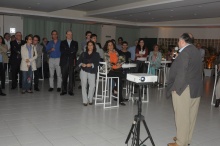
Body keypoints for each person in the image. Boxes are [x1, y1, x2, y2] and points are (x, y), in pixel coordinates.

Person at [166, 33, 203, 146]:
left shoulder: (185, 53)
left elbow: (181, 73)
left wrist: (176, 88)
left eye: (178, 41)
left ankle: (181, 142)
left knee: (182, 116)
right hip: (195, 88)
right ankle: (186, 139)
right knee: (191, 116)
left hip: (184, 88)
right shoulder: (196, 51)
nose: (178, 43)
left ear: (182, 41)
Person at [77, 41, 100, 106]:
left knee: (92, 86)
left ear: (93, 46)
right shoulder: (83, 53)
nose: (90, 46)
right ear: (87, 46)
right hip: (83, 70)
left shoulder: (96, 54)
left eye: (91, 45)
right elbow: (78, 62)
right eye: (89, 45)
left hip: (92, 71)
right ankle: (85, 100)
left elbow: (97, 63)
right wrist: (82, 64)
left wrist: (91, 64)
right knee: (84, 85)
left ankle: (90, 99)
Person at [104, 40, 126, 106]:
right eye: (109, 45)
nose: (110, 46)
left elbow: (118, 61)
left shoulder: (116, 52)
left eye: (111, 45)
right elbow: (108, 64)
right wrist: (116, 66)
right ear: (107, 47)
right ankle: (120, 99)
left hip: (117, 70)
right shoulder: (106, 53)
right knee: (121, 78)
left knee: (121, 79)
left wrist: (120, 64)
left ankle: (115, 91)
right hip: (109, 71)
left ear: (113, 46)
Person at [60, 30, 78, 96]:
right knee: (64, 77)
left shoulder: (75, 43)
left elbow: (75, 51)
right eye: (68, 34)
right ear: (66, 35)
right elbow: (62, 51)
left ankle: (70, 91)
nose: (70, 35)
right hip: (64, 62)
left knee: (71, 77)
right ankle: (64, 90)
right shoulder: (62, 42)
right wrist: (70, 51)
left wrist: (67, 50)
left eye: (71, 34)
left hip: (71, 62)